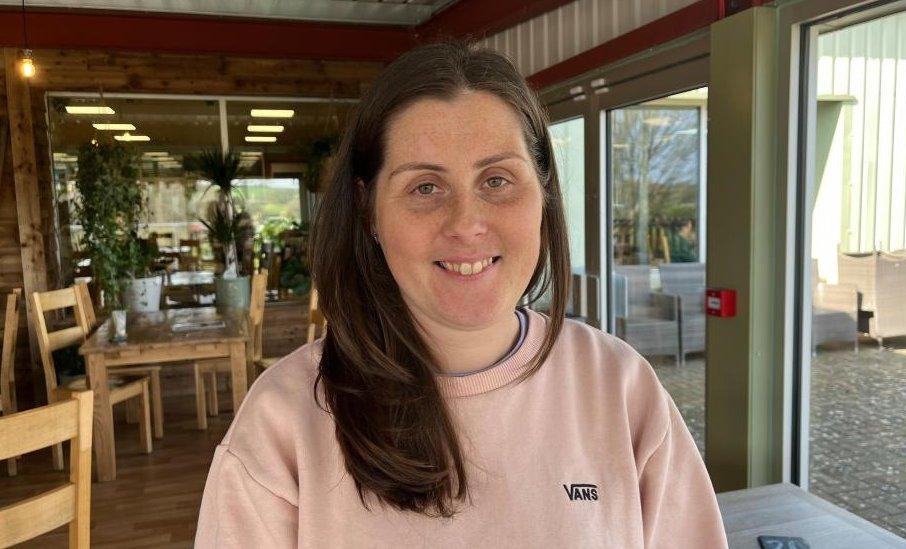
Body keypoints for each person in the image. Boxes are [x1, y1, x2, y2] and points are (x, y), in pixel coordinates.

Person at [195, 41, 727, 548]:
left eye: (497, 180)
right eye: (425, 187)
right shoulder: (283, 424)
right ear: (369, 212)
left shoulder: (621, 388)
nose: (467, 225)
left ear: (542, 194)